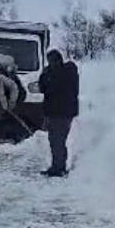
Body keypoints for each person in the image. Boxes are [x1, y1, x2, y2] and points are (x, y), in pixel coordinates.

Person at [37, 49, 79, 177]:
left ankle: (58, 167)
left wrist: (44, 74)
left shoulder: (52, 73)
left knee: (56, 140)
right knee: (58, 140)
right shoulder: (70, 72)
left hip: (56, 111)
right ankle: (58, 166)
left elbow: (43, 88)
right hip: (66, 112)